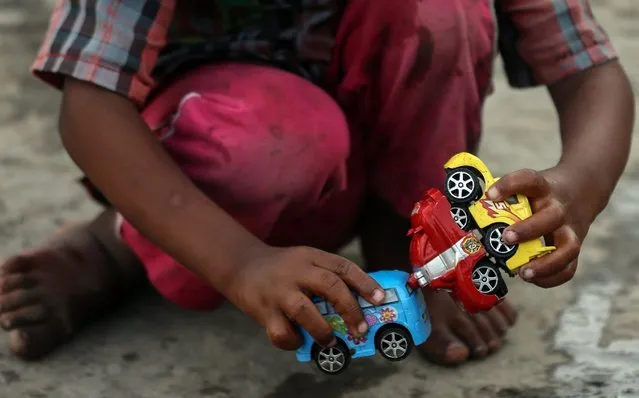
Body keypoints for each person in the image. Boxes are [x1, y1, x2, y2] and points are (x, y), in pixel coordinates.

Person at [0, 0, 632, 365]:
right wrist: (241, 263)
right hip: (230, 156)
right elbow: (90, 103)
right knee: (277, 146)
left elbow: (591, 72)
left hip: (372, 148)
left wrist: (577, 189)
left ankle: (412, 246)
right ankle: (119, 245)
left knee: (443, 9)